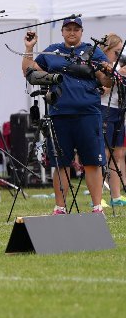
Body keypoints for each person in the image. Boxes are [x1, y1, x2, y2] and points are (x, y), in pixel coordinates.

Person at [22, 17, 112, 216]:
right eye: (68, 29)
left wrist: (109, 72)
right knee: (60, 163)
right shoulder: (51, 51)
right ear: (62, 31)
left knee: (92, 162)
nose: (72, 32)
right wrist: (29, 48)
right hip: (59, 114)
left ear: (81, 31)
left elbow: (106, 81)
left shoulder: (93, 51)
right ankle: (60, 208)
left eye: (76, 29)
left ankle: (97, 207)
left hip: (88, 113)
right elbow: (29, 72)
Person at [99, 34, 126, 207]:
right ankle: (98, 194)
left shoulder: (121, 66)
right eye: (117, 52)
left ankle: (116, 196)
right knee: (104, 154)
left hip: (119, 110)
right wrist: (118, 76)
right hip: (104, 110)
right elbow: (103, 91)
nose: (120, 56)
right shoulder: (101, 66)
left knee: (119, 154)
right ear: (107, 50)